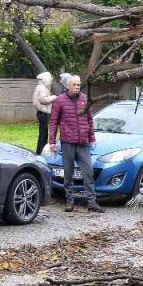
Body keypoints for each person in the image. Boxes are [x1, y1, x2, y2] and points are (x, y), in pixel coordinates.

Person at [48, 75, 102, 213]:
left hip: (83, 143)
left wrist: (92, 138)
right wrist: (52, 141)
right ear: (67, 86)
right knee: (68, 174)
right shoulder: (60, 101)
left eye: (78, 85)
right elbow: (53, 122)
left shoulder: (85, 99)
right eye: (74, 85)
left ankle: (92, 202)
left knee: (88, 173)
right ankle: (69, 202)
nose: (77, 87)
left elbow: (89, 120)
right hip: (68, 142)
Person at [33, 71, 55, 154]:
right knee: (43, 134)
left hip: (41, 112)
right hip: (43, 112)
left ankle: (40, 150)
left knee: (43, 133)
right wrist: (53, 97)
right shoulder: (42, 88)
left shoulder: (40, 87)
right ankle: (40, 151)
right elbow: (43, 99)